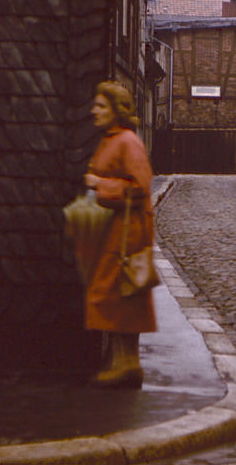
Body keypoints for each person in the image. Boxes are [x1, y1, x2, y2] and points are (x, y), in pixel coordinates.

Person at [78, 80, 157, 388]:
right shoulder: (112, 139)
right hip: (113, 229)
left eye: (100, 106)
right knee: (117, 294)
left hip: (128, 231)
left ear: (116, 110)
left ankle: (127, 363)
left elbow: (140, 186)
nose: (93, 111)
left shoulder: (127, 141)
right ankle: (121, 361)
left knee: (120, 292)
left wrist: (99, 185)